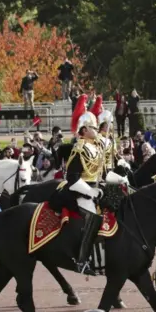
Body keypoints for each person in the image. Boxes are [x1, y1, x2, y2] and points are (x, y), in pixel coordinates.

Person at [62, 95, 106, 275]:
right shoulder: (79, 148)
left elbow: (101, 172)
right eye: (94, 127)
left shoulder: (96, 147)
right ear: (85, 129)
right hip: (81, 192)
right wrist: (90, 192)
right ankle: (83, 260)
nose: (97, 130)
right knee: (93, 219)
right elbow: (72, 178)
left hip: (96, 189)